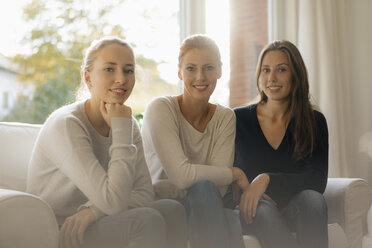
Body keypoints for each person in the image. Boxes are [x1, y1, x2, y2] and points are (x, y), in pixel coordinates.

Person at [27, 36, 187, 248]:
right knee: (147, 220)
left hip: (98, 218)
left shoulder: (126, 122)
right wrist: (120, 128)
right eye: (110, 69)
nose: (121, 79)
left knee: (172, 208)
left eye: (128, 70)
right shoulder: (67, 124)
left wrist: (93, 210)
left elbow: (143, 193)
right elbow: (113, 201)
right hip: (65, 229)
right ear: (88, 77)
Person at [141, 34, 249, 248]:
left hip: (206, 203)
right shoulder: (160, 108)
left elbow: (217, 189)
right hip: (162, 204)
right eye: (191, 68)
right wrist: (233, 173)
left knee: (222, 208)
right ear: (179, 72)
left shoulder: (225, 117)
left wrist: (205, 179)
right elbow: (182, 178)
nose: (200, 76)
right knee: (220, 208)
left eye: (208, 68)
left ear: (219, 71)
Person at [233, 40, 329, 248]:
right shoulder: (237, 119)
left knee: (313, 200)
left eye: (281, 70)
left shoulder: (315, 121)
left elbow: (317, 180)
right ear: (259, 75)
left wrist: (266, 179)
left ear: (296, 75)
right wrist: (252, 188)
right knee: (263, 208)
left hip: (292, 209)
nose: (272, 78)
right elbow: (229, 171)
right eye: (265, 70)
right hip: (252, 211)